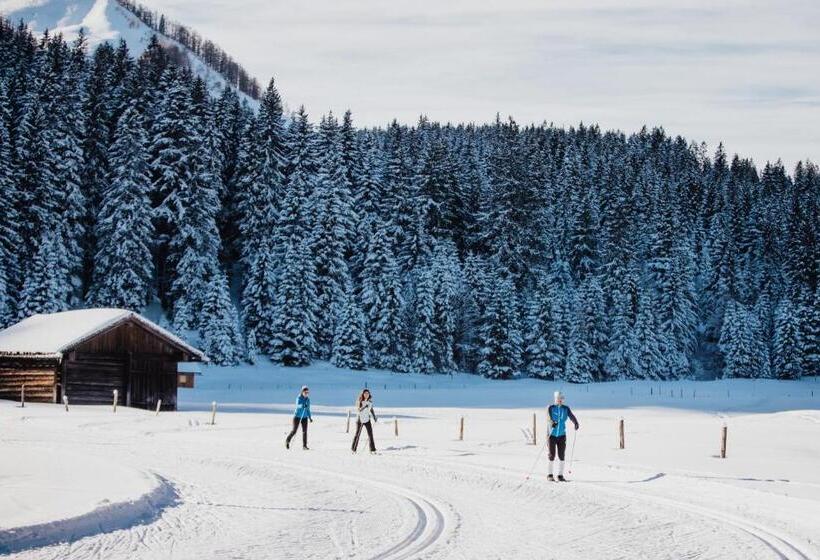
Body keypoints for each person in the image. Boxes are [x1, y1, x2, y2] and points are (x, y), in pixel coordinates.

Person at [547, 391, 579, 481]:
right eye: (558, 399)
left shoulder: (566, 408)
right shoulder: (551, 408)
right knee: (552, 455)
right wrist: (552, 422)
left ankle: (560, 475)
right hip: (551, 435)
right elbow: (548, 417)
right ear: (555, 399)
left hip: (561, 435)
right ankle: (550, 475)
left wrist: (575, 422)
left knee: (561, 455)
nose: (560, 400)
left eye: (561, 399)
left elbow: (571, 416)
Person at [285, 386, 313, 450]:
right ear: (302, 392)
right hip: (297, 416)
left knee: (305, 431)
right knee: (294, 430)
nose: (306, 394)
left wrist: (310, 417)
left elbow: (308, 409)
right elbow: (298, 405)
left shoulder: (308, 400)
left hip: (304, 417)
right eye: (305, 392)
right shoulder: (299, 398)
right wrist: (303, 405)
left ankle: (304, 446)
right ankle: (287, 440)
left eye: (307, 392)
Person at [352, 388, 378, 454]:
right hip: (360, 419)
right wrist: (364, 406)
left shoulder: (370, 402)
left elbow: (371, 410)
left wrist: (374, 417)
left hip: (367, 420)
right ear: (363, 394)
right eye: (365, 393)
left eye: (367, 393)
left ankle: (372, 450)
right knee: (357, 434)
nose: (366, 395)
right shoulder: (360, 401)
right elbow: (359, 410)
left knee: (370, 435)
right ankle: (353, 449)